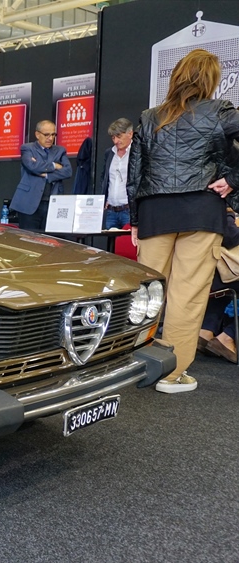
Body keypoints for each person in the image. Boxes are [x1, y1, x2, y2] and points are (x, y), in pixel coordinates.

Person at [127, 48, 239, 394]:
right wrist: (232, 180)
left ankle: (133, 364)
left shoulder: (149, 117)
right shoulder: (221, 112)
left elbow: (135, 173)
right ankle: (172, 374)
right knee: (186, 296)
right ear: (211, 80)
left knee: (145, 294)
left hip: (154, 213)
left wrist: (134, 219)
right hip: (201, 212)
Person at [9, 120, 72, 231]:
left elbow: (68, 171)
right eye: (46, 134)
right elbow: (32, 166)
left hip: (51, 203)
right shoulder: (27, 148)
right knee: (28, 238)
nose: (50, 138)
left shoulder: (60, 150)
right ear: (37, 134)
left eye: (53, 134)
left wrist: (47, 175)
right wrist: (55, 165)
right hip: (29, 203)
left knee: (49, 239)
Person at [101, 118, 134, 229]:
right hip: (111, 211)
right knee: (110, 239)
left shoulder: (137, 152)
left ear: (130, 134)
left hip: (129, 210)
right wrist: (105, 199)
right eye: (113, 137)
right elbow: (104, 177)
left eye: (119, 136)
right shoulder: (109, 153)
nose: (115, 141)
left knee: (129, 239)